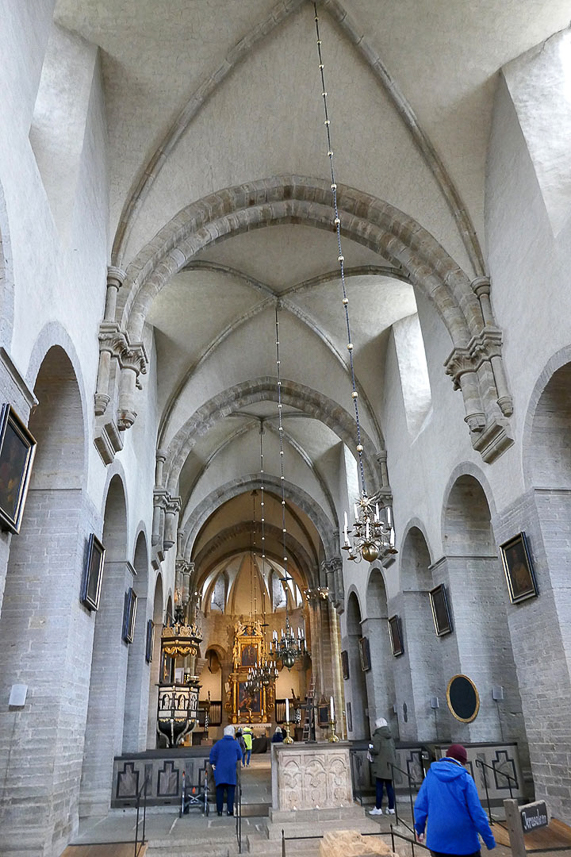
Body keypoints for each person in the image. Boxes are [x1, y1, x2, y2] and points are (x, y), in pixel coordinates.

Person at [414, 744, 496, 856]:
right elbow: (476, 812)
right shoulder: (465, 778)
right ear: (462, 762)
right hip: (464, 841)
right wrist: (489, 839)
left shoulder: (431, 775)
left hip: (437, 840)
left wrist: (419, 829)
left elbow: (420, 806)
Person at [209, 725, 243, 816]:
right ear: (232, 734)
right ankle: (230, 810)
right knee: (230, 791)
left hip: (220, 770)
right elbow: (240, 756)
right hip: (230, 770)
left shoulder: (218, 743)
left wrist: (213, 764)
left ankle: (219, 811)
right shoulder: (235, 743)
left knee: (219, 791)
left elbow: (212, 754)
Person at [368, 717, 396, 816]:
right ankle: (391, 808)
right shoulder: (390, 735)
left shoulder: (378, 736)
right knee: (389, 787)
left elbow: (376, 750)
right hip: (390, 764)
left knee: (379, 786)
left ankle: (378, 808)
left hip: (381, 765)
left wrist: (370, 750)